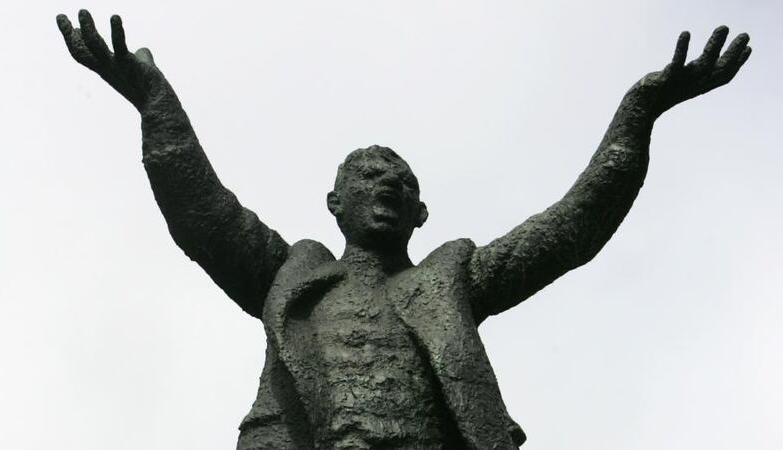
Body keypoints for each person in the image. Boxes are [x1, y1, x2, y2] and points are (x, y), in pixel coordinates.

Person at [57, 10, 751, 449]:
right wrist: (155, 104)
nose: (388, 185)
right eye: (369, 176)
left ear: (422, 215)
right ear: (333, 202)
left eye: (405, 183)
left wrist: (638, 114)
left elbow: (573, 226)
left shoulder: (452, 278)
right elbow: (201, 211)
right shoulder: (289, 273)